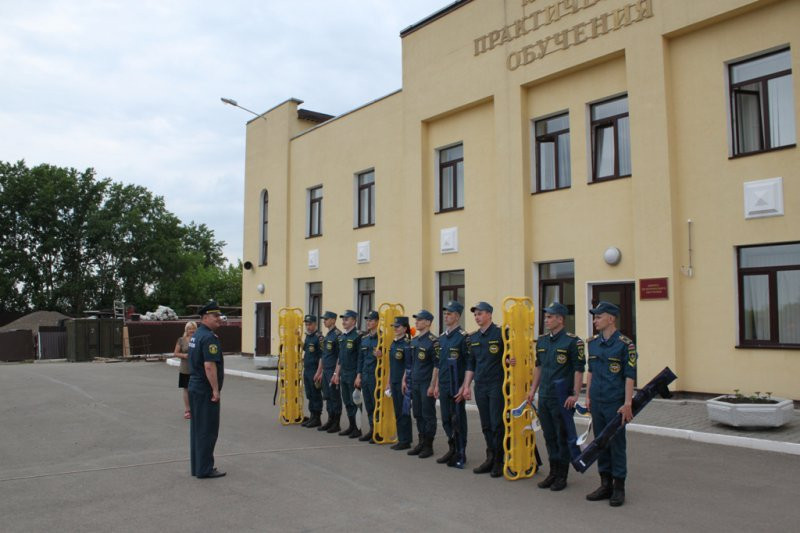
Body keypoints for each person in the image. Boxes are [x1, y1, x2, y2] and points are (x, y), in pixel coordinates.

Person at [526, 302, 585, 491]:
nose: (546, 320)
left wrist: (575, 394)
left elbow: (578, 370)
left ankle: (562, 475)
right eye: (546, 316)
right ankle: (553, 472)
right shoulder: (542, 341)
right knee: (549, 435)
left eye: (550, 317)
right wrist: (532, 390)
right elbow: (539, 367)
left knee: (562, 436)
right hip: (544, 396)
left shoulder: (573, 342)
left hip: (562, 397)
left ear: (560, 319)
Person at [585, 301, 637, 507]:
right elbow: (591, 372)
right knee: (600, 443)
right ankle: (604, 484)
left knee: (616, 444)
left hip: (615, 403)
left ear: (611, 319)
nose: (595, 320)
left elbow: (629, 376)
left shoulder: (625, 344)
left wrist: (627, 403)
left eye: (598, 316)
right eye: (594, 317)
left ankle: (619, 487)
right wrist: (587, 397)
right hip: (597, 401)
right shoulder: (593, 343)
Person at [459, 301, 505, 478]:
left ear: (489, 314)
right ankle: (490, 457)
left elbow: (510, 356)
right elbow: (471, 364)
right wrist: (466, 386)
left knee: (496, 423)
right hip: (481, 385)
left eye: (480, 314)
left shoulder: (501, 333)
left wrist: (511, 361)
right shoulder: (472, 338)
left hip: (496, 384)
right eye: (475, 315)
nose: (477, 317)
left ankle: (499, 460)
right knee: (485, 423)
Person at [188, 300, 226, 479]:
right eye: (215, 316)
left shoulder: (197, 335)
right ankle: (205, 469)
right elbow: (209, 365)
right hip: (205, 390)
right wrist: (215, 390)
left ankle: (198, 466)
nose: (219, 319)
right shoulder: (209, 337)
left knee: (197, 429)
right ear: (204, 317)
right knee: (207, 430)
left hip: (195, 387)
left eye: (219, 315)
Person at [432, 301, 469, 468]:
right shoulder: (441, 338)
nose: (446, 316)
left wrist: (465, 386)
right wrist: (437, 385)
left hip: (457, 385)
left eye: (449, 313)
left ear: (457, 316)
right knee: (446, 418)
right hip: (445, 384)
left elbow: (469, 363)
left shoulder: (463, 337)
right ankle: (452, 446)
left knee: (458, 419)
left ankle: (461, 451)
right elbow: (440, 364)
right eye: (445, 313)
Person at [407, 309, 439, 459]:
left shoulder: (433, 341)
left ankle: (428, 445)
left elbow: (436, 365)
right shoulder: (414, 341)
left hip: (426, 383)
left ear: (427, 322)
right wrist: (407, 380)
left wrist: (433, 385)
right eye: (416, 319)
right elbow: (411, 364)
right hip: (415, 382)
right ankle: (420, 441)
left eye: (420, 319)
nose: (416, 322)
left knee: (428, 415)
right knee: (418, 413)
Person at [386, 316, 413, 450]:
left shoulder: (407, 344)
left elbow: (408, 365)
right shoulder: (394, 343)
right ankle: (401, 438)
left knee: (404, 412)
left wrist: (404, 381)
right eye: (394, 327)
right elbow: (391, 365)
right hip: (394, 382)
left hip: (403, 383)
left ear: (404, 328)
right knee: (397, 411)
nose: (395, 329)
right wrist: (388, 382)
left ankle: (406, 440)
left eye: (398, 327)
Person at [334, 310, 362, 438]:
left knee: (355, 401)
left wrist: (358, 376)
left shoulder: (358, 336)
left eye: (346, 319)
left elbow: (360, 358)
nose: (343, 321)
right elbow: (340, 357)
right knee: (347, 401)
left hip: (353, 373)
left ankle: (358, 428)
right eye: (343, 319)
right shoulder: (342, 337)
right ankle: (351, 426)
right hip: (343, 373)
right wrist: (336, 374)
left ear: (354, 321)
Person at [355, 310, 379, 442]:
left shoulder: (382, 338)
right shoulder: (364, 339)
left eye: (371, 320)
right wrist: (358, 376)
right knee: (369, 405)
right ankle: (372, 429)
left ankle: (379, 431)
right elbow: (360, 359)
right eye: (367, 320)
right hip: (365, 375)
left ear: (377, 322)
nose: (368, 323)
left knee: (376, 405)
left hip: (376, 377)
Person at [317, 311, 342, 433]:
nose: (324, 321)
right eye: (324, 319)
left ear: (333, 320)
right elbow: (324, 355)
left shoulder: (338, 336)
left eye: (326, 319)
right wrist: (320, 372)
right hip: (326, 370)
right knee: (327, 396)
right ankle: (330, 420)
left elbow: (339, 357)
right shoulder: (328, 336)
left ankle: (336, 423)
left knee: (334, 397)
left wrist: (336, 373)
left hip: (333, 370)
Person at [301, 315, 324, 428]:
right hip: (307, 369)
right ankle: (312, 416)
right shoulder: (308, 337)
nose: (308, 326)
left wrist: (319, 372)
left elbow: (322, 356)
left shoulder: (318, 337)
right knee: (309, 394)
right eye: (306, 324)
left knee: (316, 394)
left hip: (314, 370)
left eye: (309, 324)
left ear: (315, 324)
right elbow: (305, 349)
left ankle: (317, 418)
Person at [174, 321, 197, 420]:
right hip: (185, 369)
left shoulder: (198, 339)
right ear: (186, 329)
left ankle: (196, 409)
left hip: (196, 369)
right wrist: (184, 355)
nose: (191, 330)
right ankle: (188, 410)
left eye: (193, 328)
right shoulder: (181, 340)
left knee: (196, 390)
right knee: (186, 389)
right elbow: (175, 353)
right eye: (189, 328)